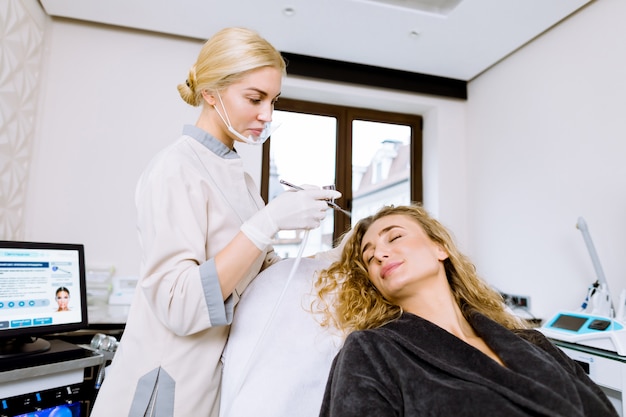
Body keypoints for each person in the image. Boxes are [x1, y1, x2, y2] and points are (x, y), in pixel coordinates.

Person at [90, 27, 340, 417]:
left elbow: (258, 278)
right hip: (163, 387)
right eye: (255, 98)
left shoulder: (237, 176)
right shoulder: (176, 169)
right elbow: (179, 303)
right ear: (210, 93)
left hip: (210, 381)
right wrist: (269, 220)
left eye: (273, 100)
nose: (267, 115)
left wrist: (338, 258)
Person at [314, 204, 618, 417]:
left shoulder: (533, 343)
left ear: (440, 249)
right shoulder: (371, 351)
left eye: (395, 237)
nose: (380, 254)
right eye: (369, 258)